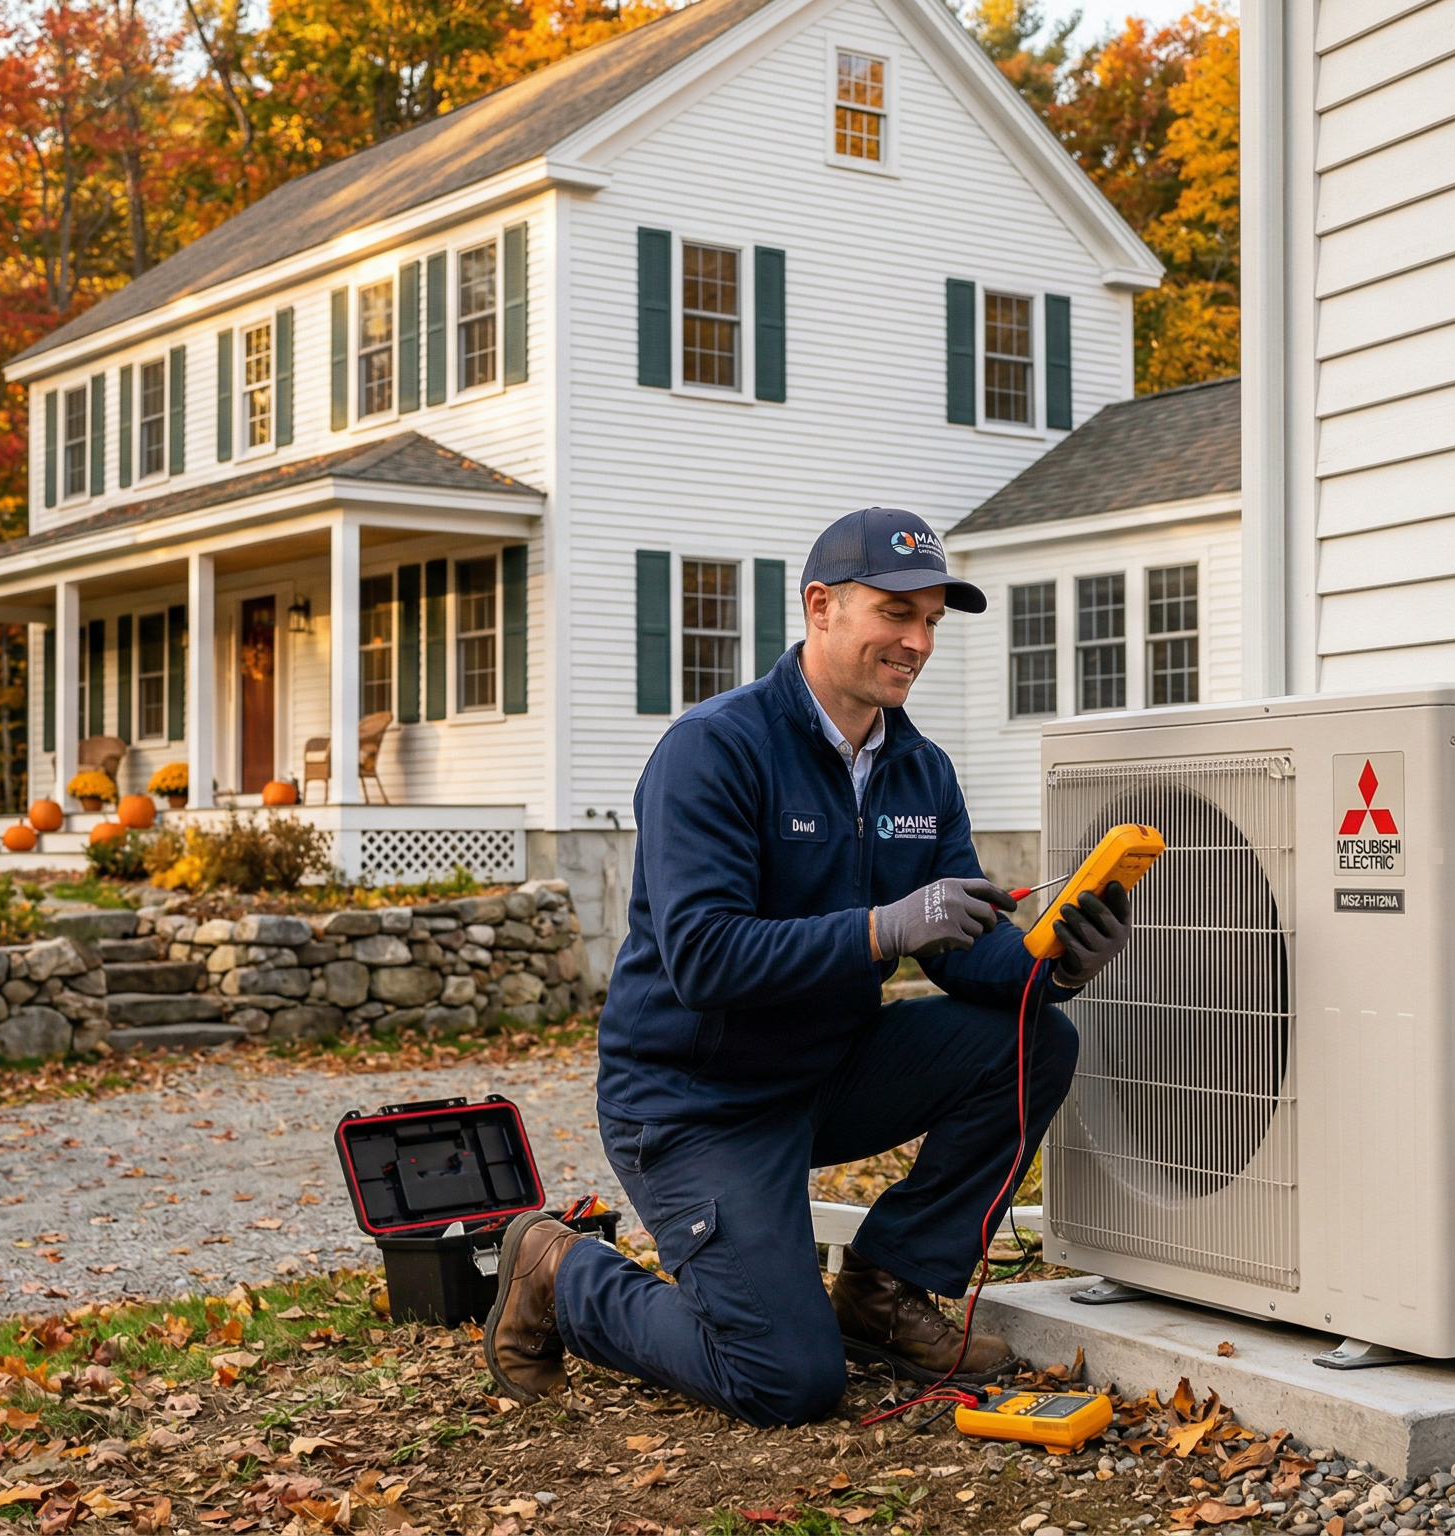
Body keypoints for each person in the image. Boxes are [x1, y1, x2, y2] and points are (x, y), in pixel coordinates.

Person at [481, 507, 1135, 1426]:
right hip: (697, 1098)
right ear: (820, 605)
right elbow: (705, 960)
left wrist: (1054, 961)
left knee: (1032, 1042)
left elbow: (959, 952)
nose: (917, 642)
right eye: (896, 614)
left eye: (932, 622)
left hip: (825, 1070)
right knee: (788, 1382)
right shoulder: (715, 749)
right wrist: (881, 930)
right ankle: (560, 1272)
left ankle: (885, 1288)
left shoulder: (920, 769)